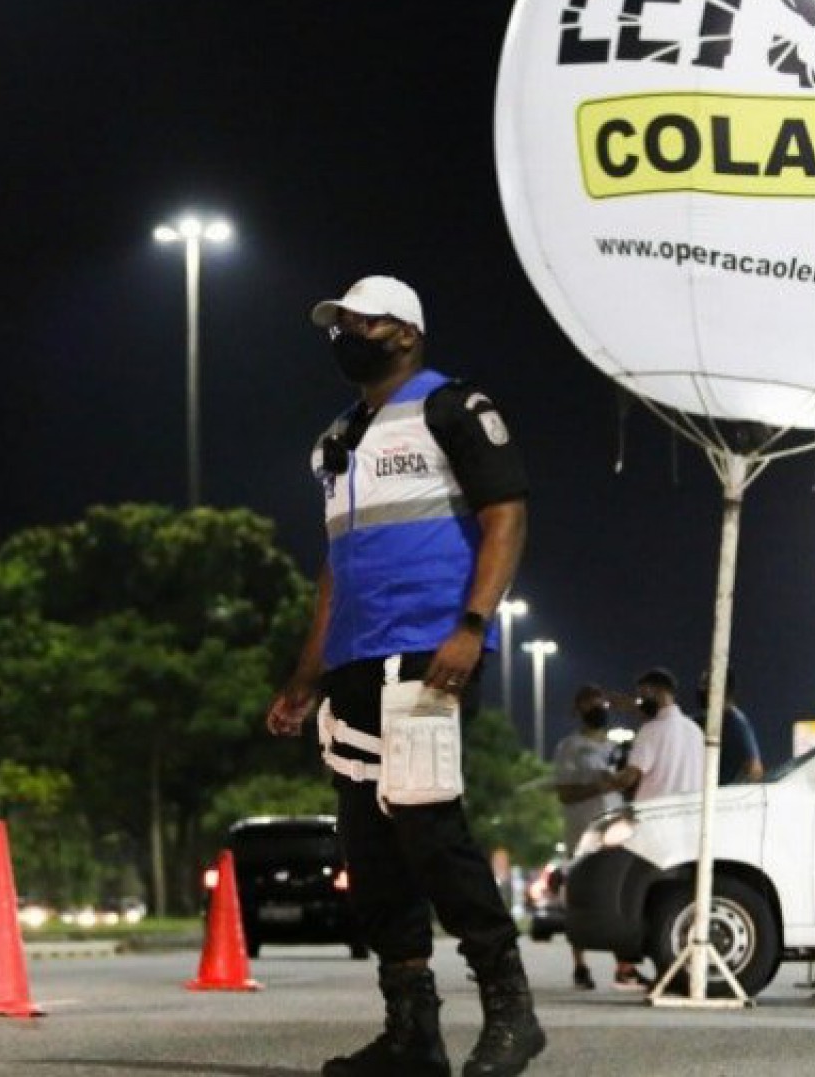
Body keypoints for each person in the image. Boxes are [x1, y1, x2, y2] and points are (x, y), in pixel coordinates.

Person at [266, 275, 545, 1077]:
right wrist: (305, 674)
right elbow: (336, 566)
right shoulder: (338, 439)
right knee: (371, 849)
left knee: (430, 831)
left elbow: (506, 515)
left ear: (406, 333)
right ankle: (411, 1033)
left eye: (362, 320)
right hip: (353, 660)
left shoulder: (452, 408)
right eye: (338, 324)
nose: (346, 333)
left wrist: (472, 624)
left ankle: (509, 1009)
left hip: (429, 651)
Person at [549, 685, 644, 990]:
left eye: (601, 703)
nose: (598, 709)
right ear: (578, 710)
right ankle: (580, 965)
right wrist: (599, 787)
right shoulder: (569, 746)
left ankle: (624, 966)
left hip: (616, 829)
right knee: (580, 894)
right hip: (582, 830)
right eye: (591, 705)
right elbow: (564, 793)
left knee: (619, 892)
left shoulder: (618, 747)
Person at [605, 668, 704, 802]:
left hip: (654, 814)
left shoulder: (651, 730)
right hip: (688, 814)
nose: (641, 702)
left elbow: (627, 779)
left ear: (657, 692)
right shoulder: (695, 730)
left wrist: (606, 776)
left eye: (643, 696)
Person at [697, 667, 765, 785]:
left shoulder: (736, 724)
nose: (700, 689)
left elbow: (755, 770)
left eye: (704, 685)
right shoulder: (703, 720)